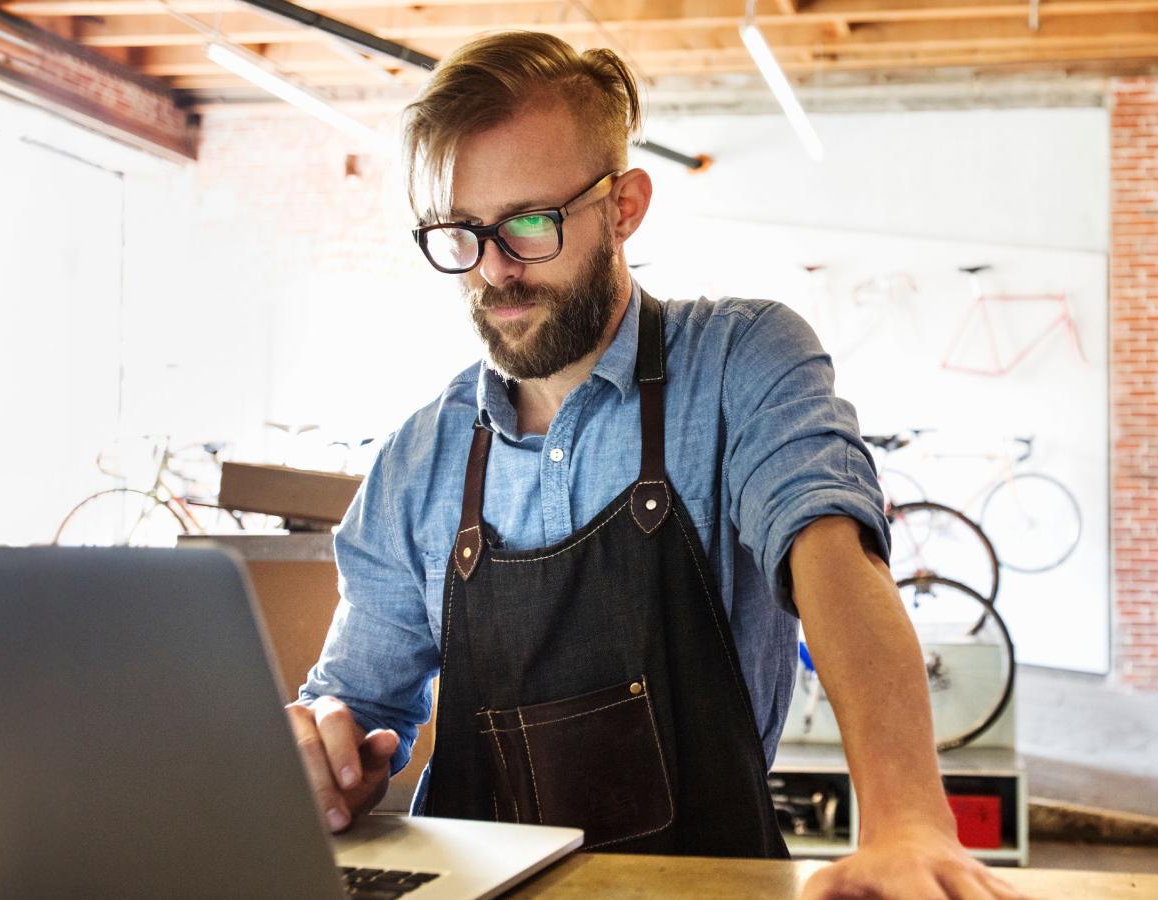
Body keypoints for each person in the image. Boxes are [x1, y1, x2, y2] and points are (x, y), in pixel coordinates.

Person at [291, 30, 1021, 899]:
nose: (495, 271)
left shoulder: (740, 362)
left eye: (530, 223)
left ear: (624, 206)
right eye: (463, 233)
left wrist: (906, 819)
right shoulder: (419, 459)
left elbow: (832, 555)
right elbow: (356, 702)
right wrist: (326, 747)